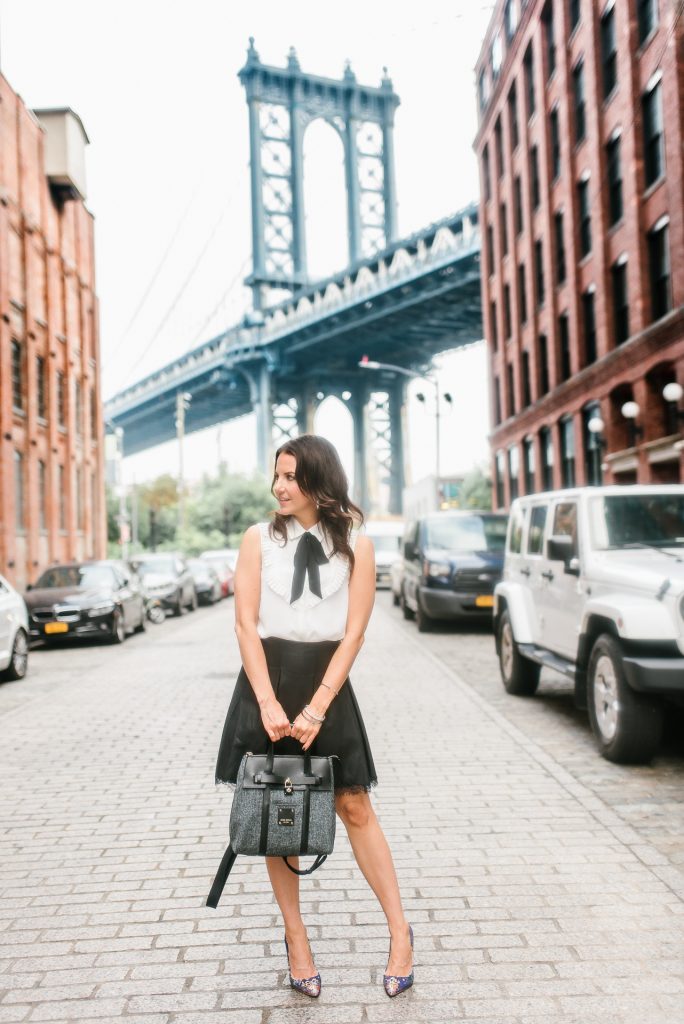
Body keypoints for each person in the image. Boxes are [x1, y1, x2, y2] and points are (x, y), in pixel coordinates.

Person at [215, 434, 414, 998]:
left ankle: (401, 934)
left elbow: (354, 632)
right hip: (269, 682)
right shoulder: (258, 540)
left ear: (319, 481)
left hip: (329, 683)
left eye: (290, 476)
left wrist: (320, 704)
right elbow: (244, 625)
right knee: (281, 809)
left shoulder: (357, 543)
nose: (279, 486)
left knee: (353, 805)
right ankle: (296, 939)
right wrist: (270, 703)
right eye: (275, 475)